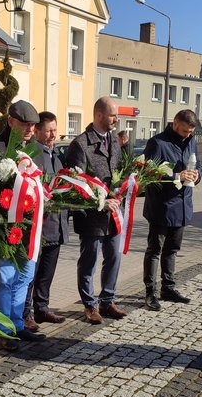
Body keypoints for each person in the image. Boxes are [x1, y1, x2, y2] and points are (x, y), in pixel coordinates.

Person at [0, 100, 45, 344]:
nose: (30, 130)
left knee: (25, 277)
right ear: (10, 121)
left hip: (30, 229)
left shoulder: (35, 149)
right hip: (4, 227)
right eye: (25, 124)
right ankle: (3, 330)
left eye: (33, 125)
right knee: (6, 280)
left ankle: (18, 325)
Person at [65, 96, 126, 324]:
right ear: (99, 115)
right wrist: (100, 202)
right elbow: (74, 186)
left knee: (114, 257)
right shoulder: (80, 144)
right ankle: (90, 305)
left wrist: (123, 190)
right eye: (113, 115)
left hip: (113, 215)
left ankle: (107, 300)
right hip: (91, 217)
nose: (116, 119)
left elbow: (119, 170)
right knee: (89, 261)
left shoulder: (115, 141)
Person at [142, 109, 202, 310]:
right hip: (161, 207)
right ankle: (151, 292)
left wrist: (196, 175)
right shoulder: (158, 143)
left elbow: (199, 166)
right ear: (175, 124)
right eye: (185, 130)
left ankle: (168, 287)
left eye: (191, 132)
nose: (187, 135)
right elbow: (148, 174)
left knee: (172, 250)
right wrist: (177, 177)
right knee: (155, 251)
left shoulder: (191, 140)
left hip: (183, 206)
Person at [24, 111, 69, 326]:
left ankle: (42, 307)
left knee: (47, 273)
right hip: (38, 227)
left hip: (56, 226)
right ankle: (27, 313)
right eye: (49, 130)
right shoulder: (32, 155)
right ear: (38, 131)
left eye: (55, 130)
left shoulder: (57, 157)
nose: (53, 135)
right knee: (31, 274)